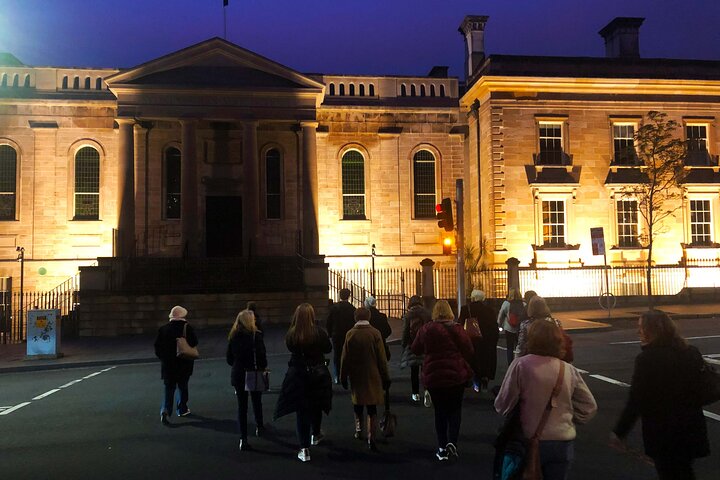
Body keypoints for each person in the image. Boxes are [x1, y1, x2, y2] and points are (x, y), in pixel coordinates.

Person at [610, 310, 709, 480]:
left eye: (641, 327)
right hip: (691, 425)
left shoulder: (647, 359)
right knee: (684, 470)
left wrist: (620, 431)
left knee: (669, 472)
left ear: (652, 330)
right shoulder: (690, 352)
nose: (638, 331)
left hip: (663, 429)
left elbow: (636, 399)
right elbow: (702, 386)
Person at [495, 318, 597, 480]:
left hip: (528, 441)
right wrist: (567, 416)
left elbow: (502, 405)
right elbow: (589, 406)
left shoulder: (521, 365)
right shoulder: (568, 369)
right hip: (562, 442)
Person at [411, 299, 474, 461]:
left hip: (434, 374)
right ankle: (452, 442)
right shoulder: (457, 329)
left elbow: (415, 348)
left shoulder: (426, 329)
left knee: (440, 411)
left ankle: (441, 447)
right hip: (455, 374)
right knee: (455, 409)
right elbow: (469, 349)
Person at [274, 303, 333, 463]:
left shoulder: (292, 333)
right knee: (317, 404)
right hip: (317, 372)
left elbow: (290, 347)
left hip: (298, 374)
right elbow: (328, 348)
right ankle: (316, 433)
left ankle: (304, 448)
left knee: (302, 411)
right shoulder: (318, 332)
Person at [340, 307, 390, 451]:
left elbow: (345, 358)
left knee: (357, 404)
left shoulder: (350, 334)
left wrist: (343, 376)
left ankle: (358, 429)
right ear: (369, 317)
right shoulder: (375, 333)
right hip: (373, 374)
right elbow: (382, 358)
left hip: (356, 375)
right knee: (372, 408)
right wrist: (385, 377)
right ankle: (371, 436)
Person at [226, 309, 267, 452]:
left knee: (242, 407)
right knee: (256, 401)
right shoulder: (256, 336)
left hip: (238, 373)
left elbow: (229, 358)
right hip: (253, 371)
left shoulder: (233, 336)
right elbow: (262, 356)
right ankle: (259, 426)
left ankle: (243, 438)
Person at [154, 305, 198, 425]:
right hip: (184, 363)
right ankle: (182, 408)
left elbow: (157, 347)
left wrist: (164, 358)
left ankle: (166, 410)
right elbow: (194, 342)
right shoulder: (187, 328)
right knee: (183, 387)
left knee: (169, 388)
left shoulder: (163, 329)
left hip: (168, 365)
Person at [458, 289, 499, 392]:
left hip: (471, 340)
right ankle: (485, 379)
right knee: (485, 361)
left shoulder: (465, 309)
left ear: (472, 297)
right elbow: (494, 328)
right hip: (486, 341)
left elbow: (460, 325)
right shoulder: (489, 310)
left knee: (473, 361)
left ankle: (476, 382)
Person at [516, 296, 573, 363]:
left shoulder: (525, 324)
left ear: (530, 308)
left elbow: (521, 345)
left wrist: (517, 360)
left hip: (533, 360)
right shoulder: (556, 322)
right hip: (553, 358)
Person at [400, 295, 432, 403]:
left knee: (414, 371)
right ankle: (427, 390)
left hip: (412, 344)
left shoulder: (408, 315)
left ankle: (415, 394)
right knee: (425, 369)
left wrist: (404, 344)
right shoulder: (427, 313)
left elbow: (405, 331)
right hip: (425, 344)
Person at [326, 288, 356, 383]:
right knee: (348, 354)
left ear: (340, 295)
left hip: (336, 334)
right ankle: (346, 374)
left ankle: (337, 376)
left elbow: (329, 322)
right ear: (349, 296)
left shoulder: (334, 308)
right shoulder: (352, 308)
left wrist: (330, 333)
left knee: (337, 355)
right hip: (348, 334)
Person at [497, 288, 523, 366]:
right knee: (519, 346)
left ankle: (510, 364)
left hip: (509, 328)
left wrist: (499, 324)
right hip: (520, 328)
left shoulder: (506, 303)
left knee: (510, 347)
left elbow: (501, 315)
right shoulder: (523, 304)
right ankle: (519, 362)